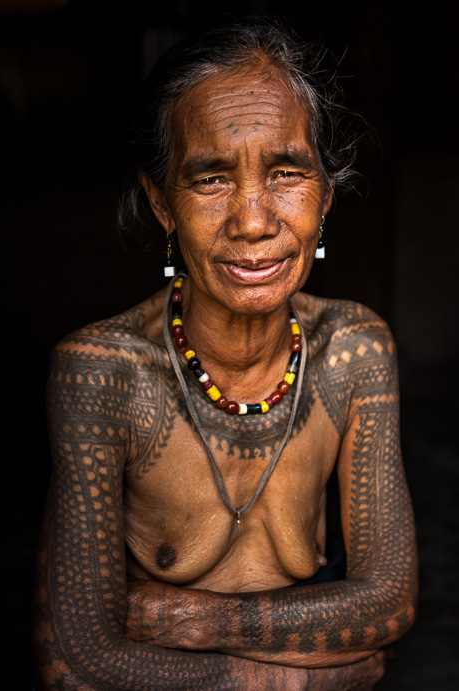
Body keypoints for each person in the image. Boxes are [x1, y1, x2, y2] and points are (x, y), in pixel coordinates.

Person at [32, 17, 417, 690]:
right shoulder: (103, 373)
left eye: (288, 171)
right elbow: (75, 661)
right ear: (161, 202)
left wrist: (186, 619)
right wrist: (302, 676)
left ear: (326, 192)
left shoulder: (355, 353)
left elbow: (388, 600)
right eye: (211, 178)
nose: (253, 220)